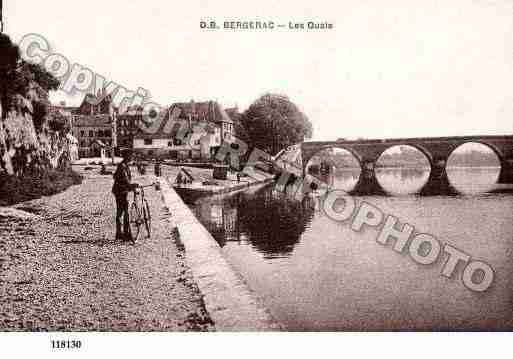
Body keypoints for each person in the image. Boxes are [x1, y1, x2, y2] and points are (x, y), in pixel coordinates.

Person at [112, 149, 138, 241]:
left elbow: (116, 177)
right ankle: (125, 234)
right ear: (127, 157)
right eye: (131, 156)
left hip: (120, 190)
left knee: (120, 212)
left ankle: (119, 233)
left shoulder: (124, 165)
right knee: (125, 211)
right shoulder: (122, 166)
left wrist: (130, 186)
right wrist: (131, 186)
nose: (132, 158)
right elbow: (125, 179)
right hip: (120, 191)